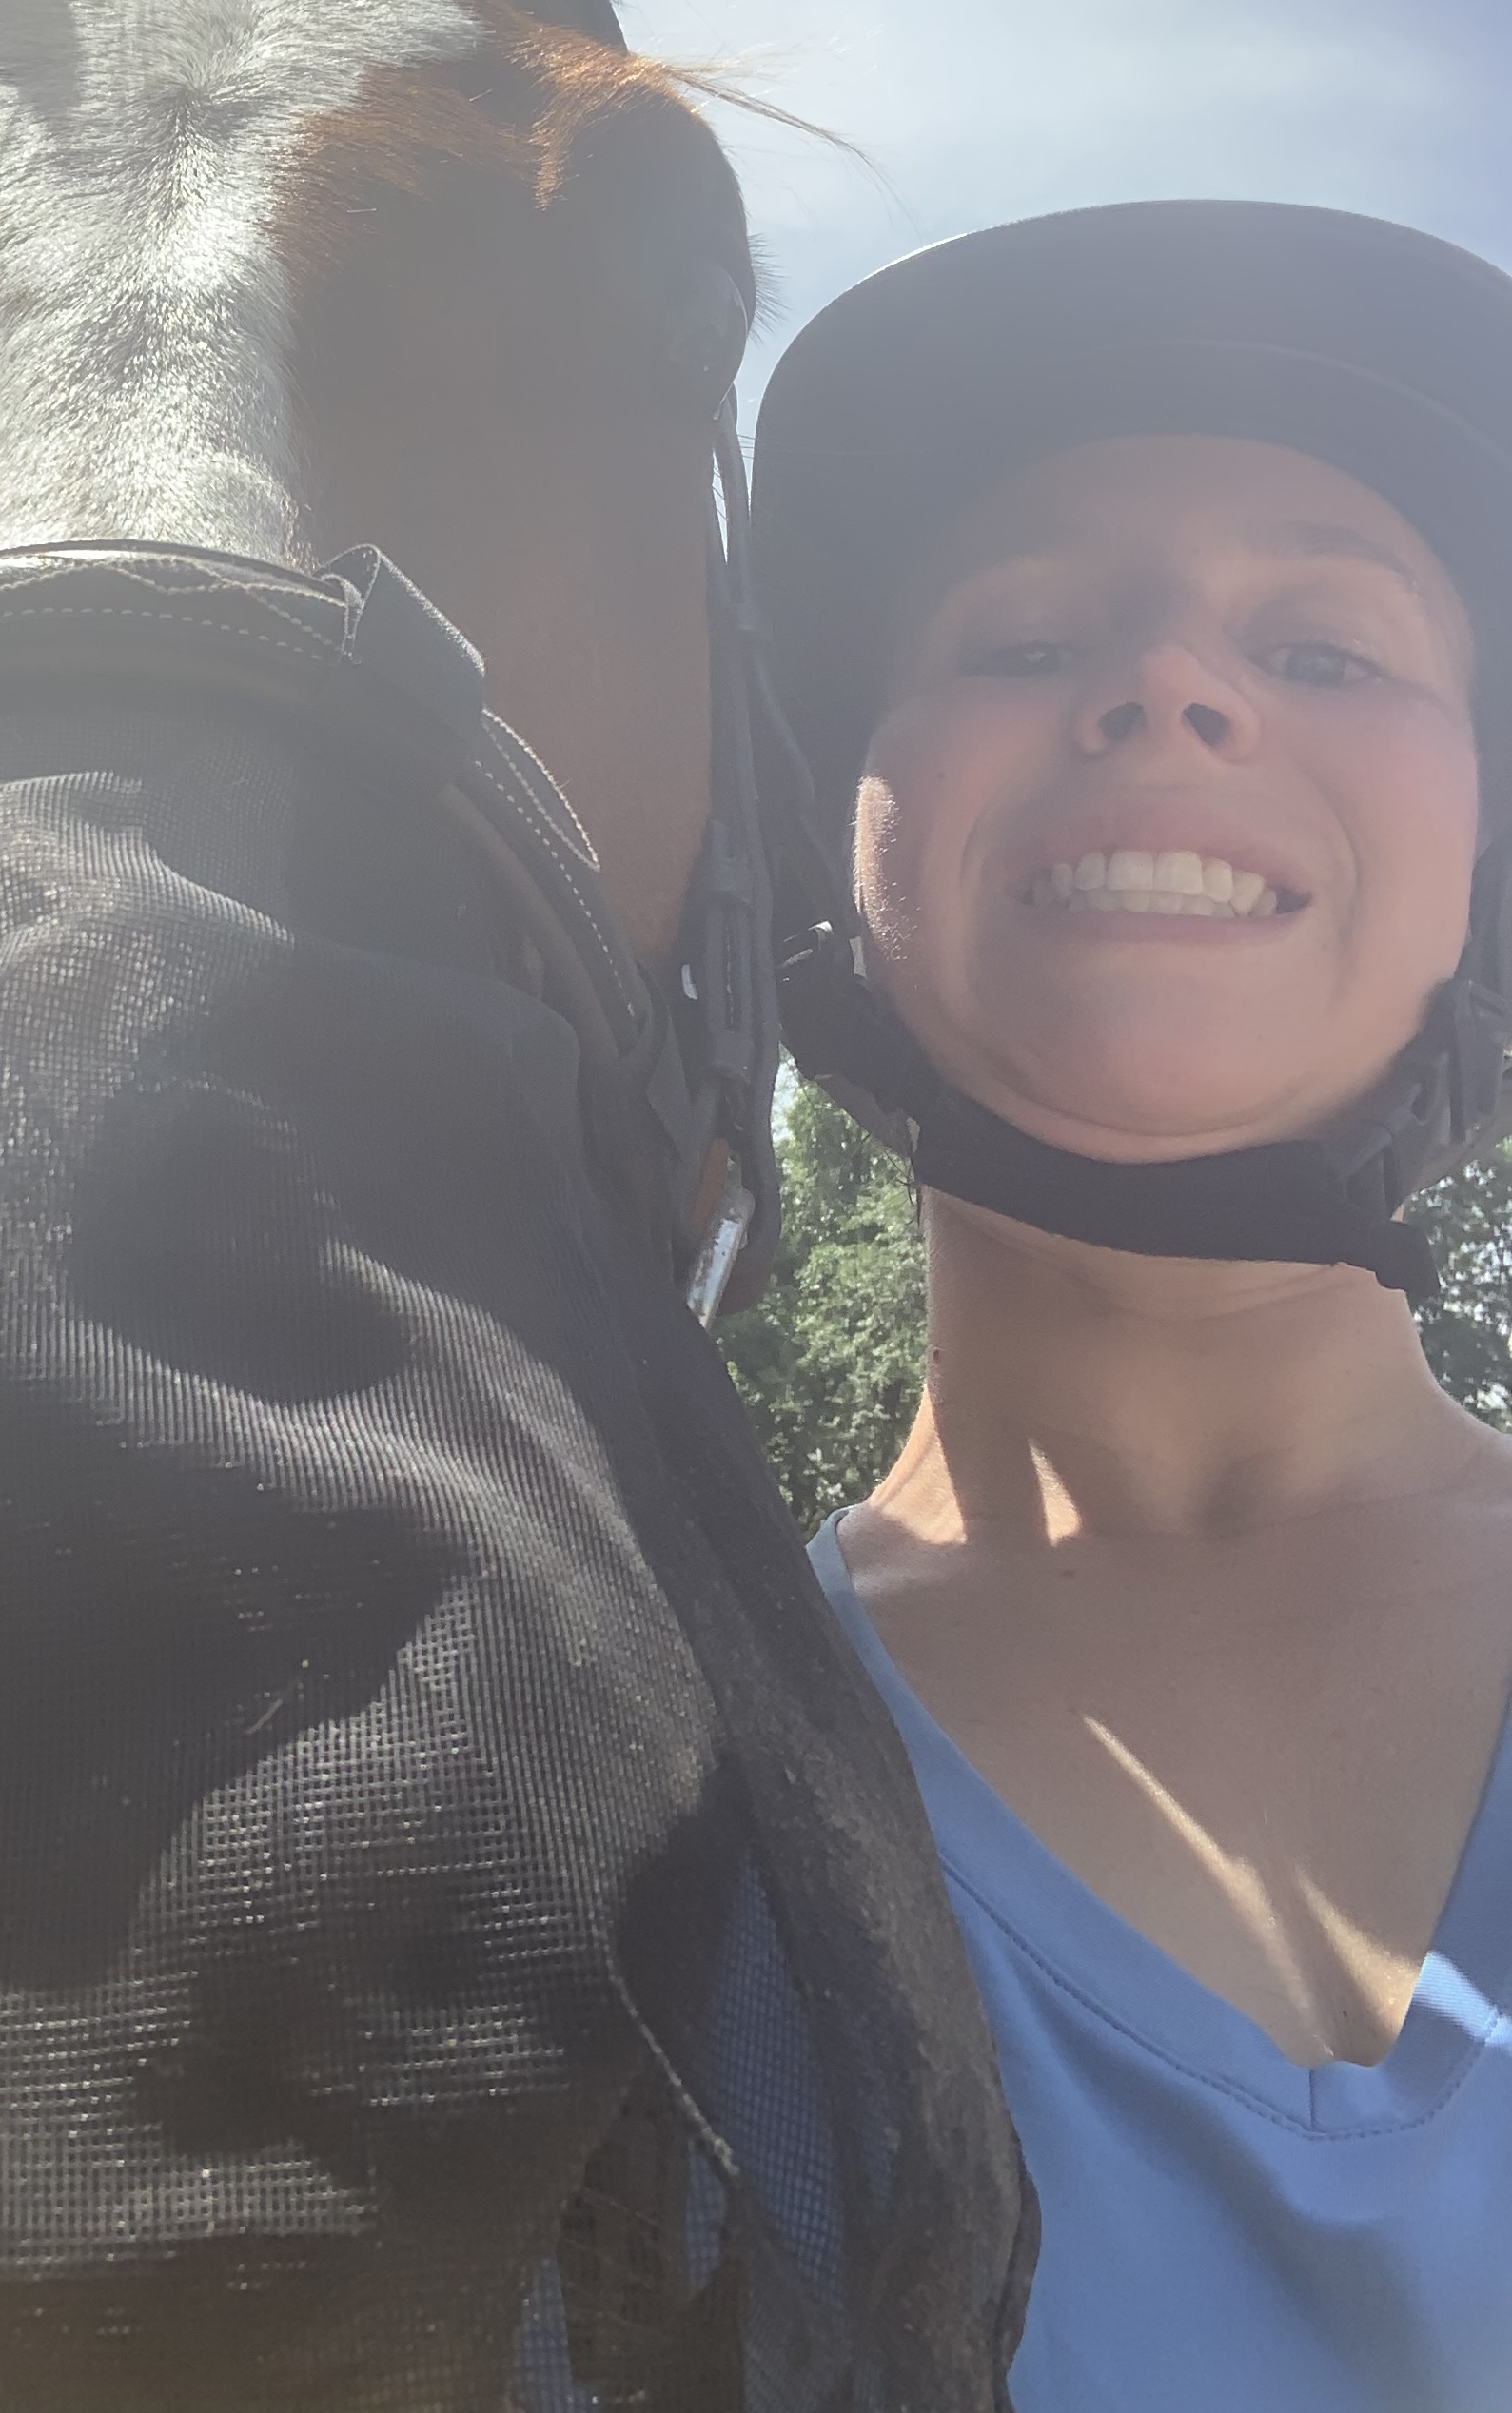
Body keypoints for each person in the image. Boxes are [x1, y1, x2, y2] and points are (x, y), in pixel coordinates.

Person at [736, 200, 1512, 2412]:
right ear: (843, 843)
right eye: (1024, 631)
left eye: (1330, 647)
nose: (1172, 681)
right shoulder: (629, 1785)